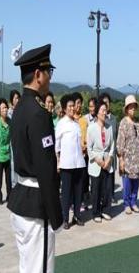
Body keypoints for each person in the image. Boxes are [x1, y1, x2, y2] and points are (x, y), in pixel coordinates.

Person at [7, 44, 63, 273]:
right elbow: (46, 168)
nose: (50, 76)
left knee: (27, 266)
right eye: (49, 71)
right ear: (38, 75)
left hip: (21, 198)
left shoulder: (20, 108)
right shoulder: (39, 113)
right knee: (39, 268)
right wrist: (56, 214)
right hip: (36, 205)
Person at [55, 94, 86, 229]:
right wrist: (57, 161)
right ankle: (65, 218)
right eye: (70, 106)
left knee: (78, 192)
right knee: (66, 192)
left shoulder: (76, 124)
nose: (73, 108)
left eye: (73, 105)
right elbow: (57, 146)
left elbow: (79, 143)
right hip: (66, 164)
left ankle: (77, 216)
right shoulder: (61, 124)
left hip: (79, 163)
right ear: (64, 108)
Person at [87, 99, 115, 222]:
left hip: (107, 162)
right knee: (96, 189)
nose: (105, 113)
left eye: (106, 110)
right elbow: (89, 148)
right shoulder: (91, 128)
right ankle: (96, 212)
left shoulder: (109, 127)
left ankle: (106, 210)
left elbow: (112, 145)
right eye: (102, 110)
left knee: (108, 188)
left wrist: (109, 157)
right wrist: (97, 159)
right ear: (97, 113)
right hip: (96, 162)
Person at [117, 95, 139, 215]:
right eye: (131, 107)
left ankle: (134, 202)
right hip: (127, 159)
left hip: (136, 160)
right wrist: (121, 159)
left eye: (134, 107)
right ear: (127, 109)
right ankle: (127, 203)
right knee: (127, 183)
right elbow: (120, 142)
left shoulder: (138, 125)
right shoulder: (123, 123)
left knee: (136, 183)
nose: (133, 109)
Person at [99, 92, 118, 201]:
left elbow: (117, 136)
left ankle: (111, 195)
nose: (107, 105)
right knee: (103, 175)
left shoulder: (114, 119)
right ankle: (103, 195)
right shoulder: (101, 119)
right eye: (104, 103)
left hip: (112, 151)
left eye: (108, 102)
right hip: (103, 152)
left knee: (111, 174)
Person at [72, 92, 89, 211]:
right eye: (77, 103)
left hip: (83, 155)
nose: (79, 105)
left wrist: (86, 146)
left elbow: (87, 136)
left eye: (80, 103)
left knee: (82, 181)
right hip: (72, 156)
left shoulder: (84, 120)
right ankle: (73, 203)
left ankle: (81, 201)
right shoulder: (69, 119)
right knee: (73, 181)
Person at [0, 98, 12, 204]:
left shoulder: (10, 122)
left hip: (8, 155)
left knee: (8, 179)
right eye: (3, 108)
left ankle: (10, 196)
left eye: (6, 108)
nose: (5, 110)